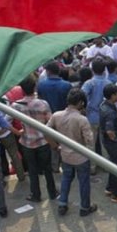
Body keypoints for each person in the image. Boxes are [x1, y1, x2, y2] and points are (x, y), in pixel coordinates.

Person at [47, 89, 97, 217]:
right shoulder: (82, 119)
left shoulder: (56, 115)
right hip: (81, 157)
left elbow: (45, 131)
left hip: (65, 155)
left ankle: (62, 203)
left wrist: (54, 146)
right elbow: (89, 140)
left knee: (66, 179)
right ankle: (85, 207)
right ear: (81, 103)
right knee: (84, 182)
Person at [12, 75, 59, 203]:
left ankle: (36, 195)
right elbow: (51, 121)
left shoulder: (16, 106)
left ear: (22, 89)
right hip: (43, 141)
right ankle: (52, 192)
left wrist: (18, 132)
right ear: (34, 87)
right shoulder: (42, 103)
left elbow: (5, 122)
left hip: (27, 142)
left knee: (32, 171)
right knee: (47, 169)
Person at [81, 59, 110, 174]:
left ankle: (92, 167)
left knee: (90, 143)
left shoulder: (89, 83)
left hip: (91, 116)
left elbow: (81, 96)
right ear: (104, 70)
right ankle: (107, 166)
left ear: (92, 69)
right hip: (105, 117)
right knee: (105, 143)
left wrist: (85, 107)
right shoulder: (108, 83)